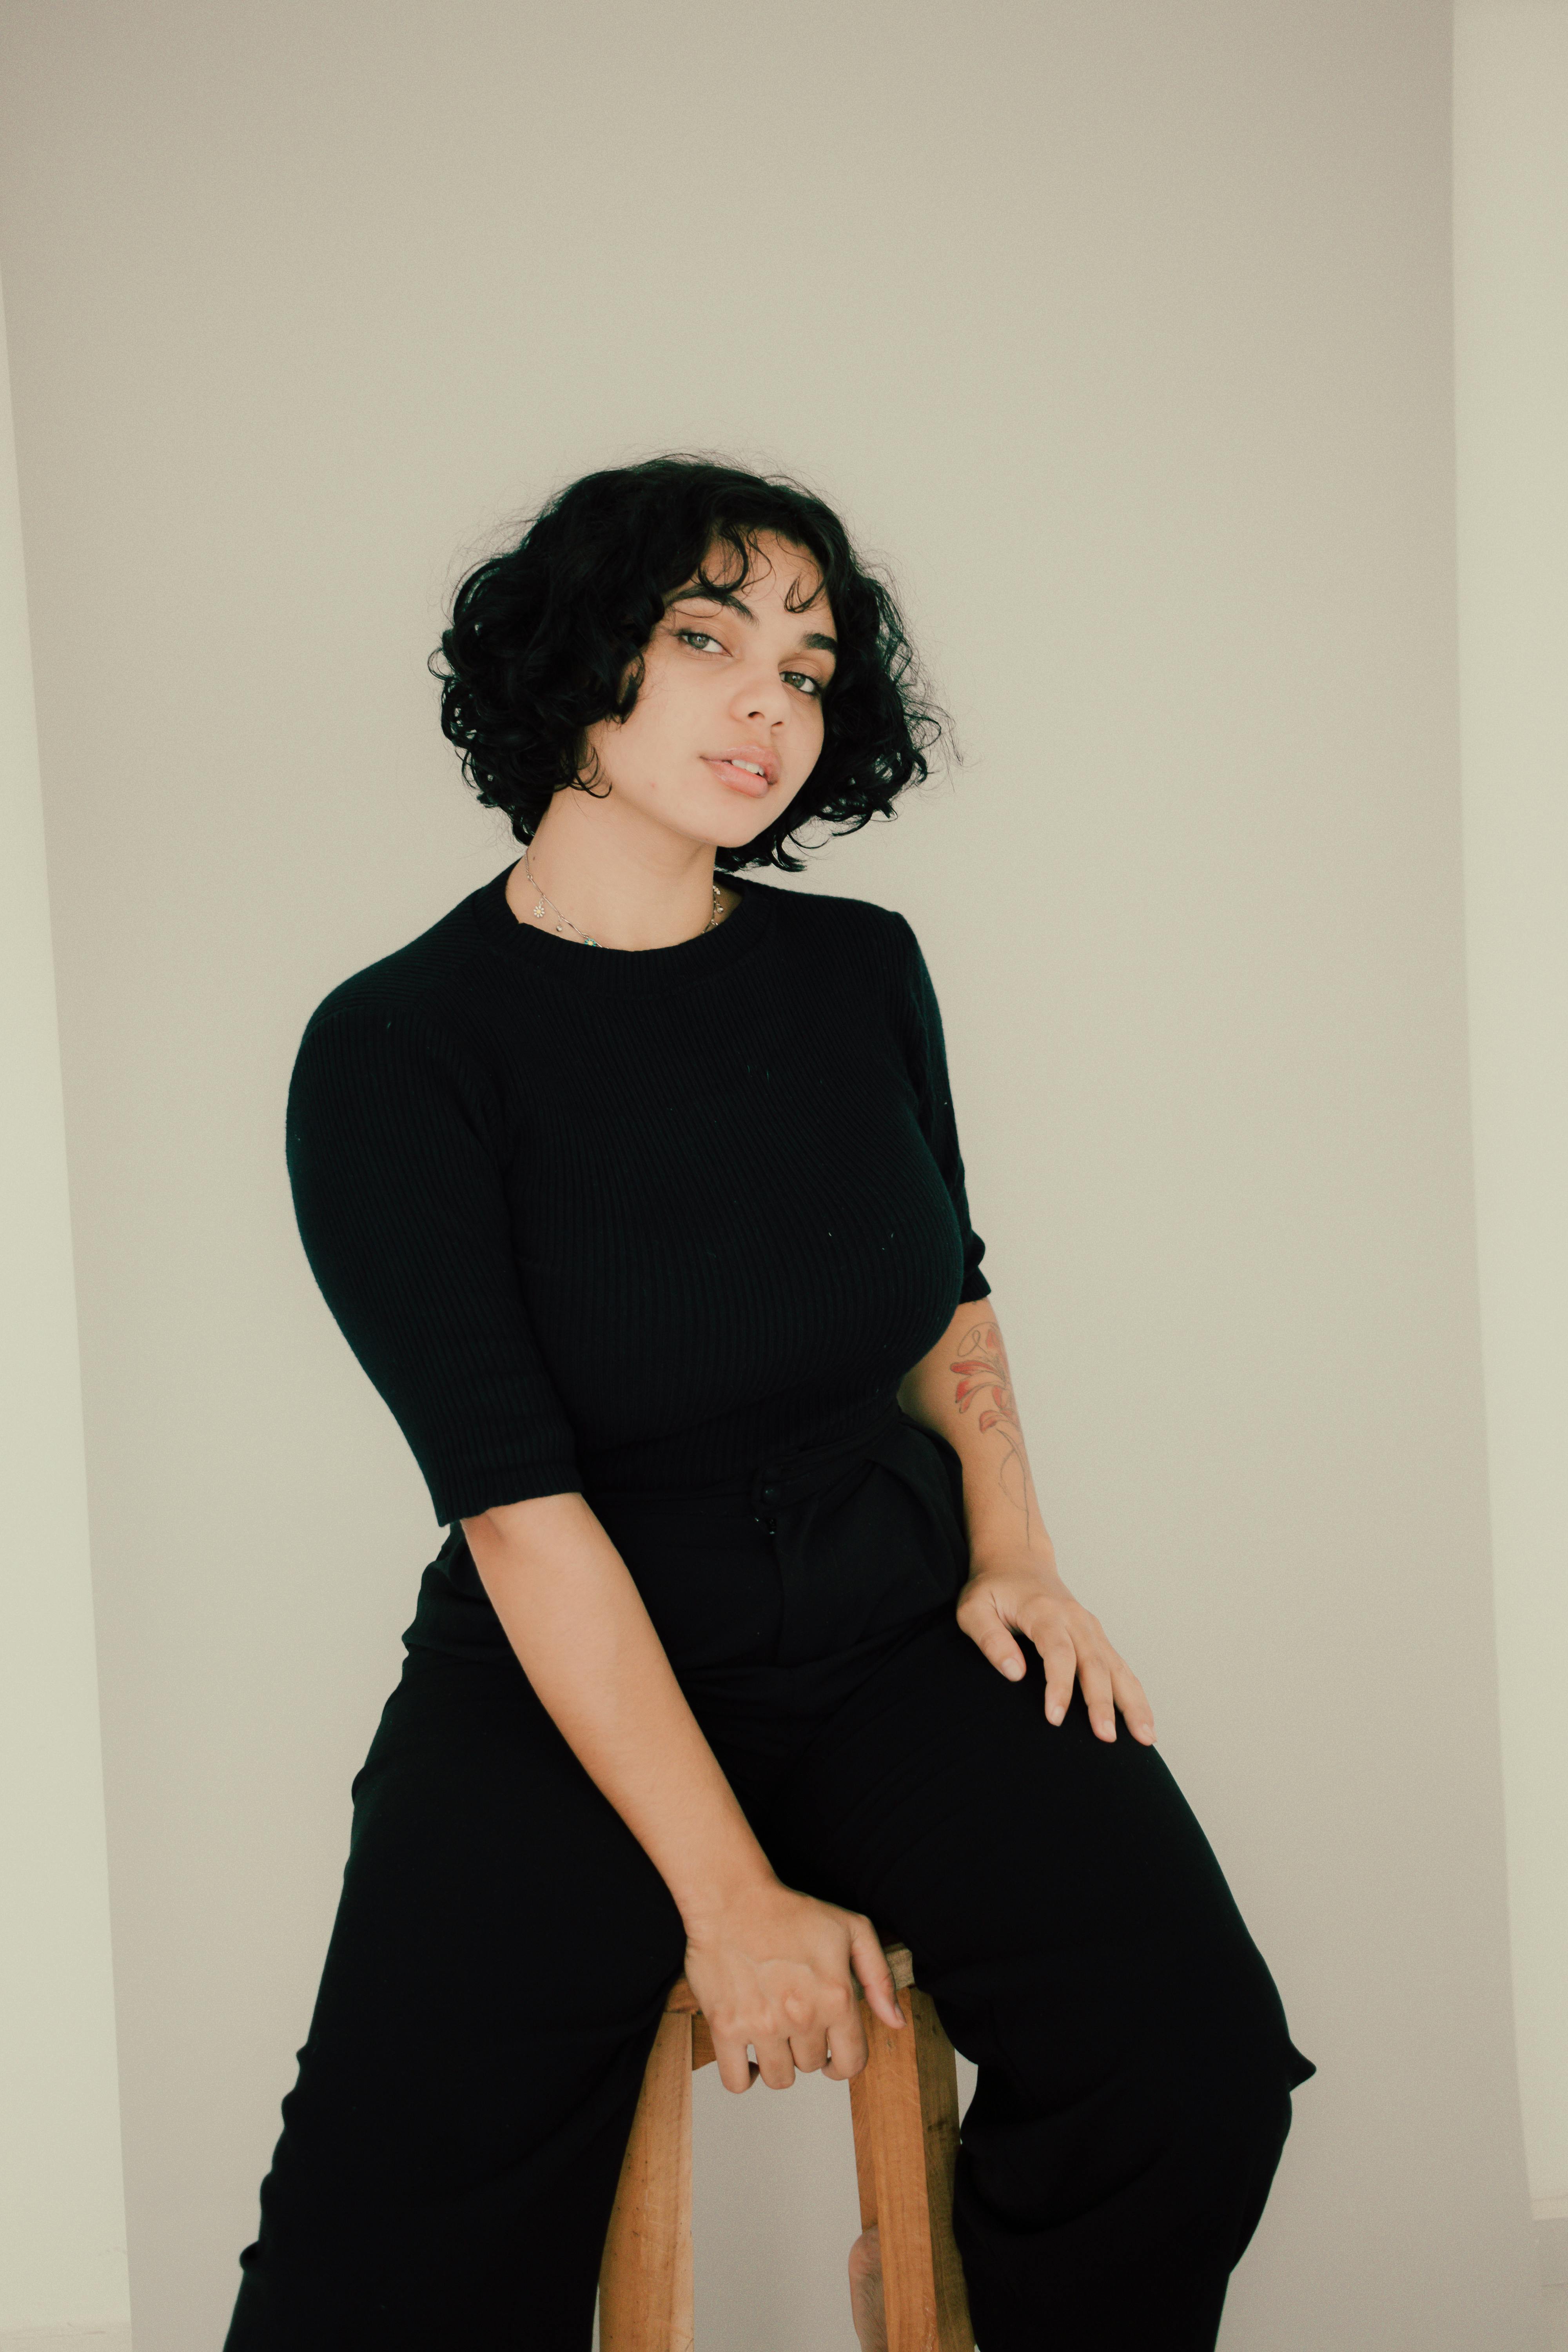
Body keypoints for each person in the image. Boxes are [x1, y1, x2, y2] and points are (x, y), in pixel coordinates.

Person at [224, 454, 1313, 2352]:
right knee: (385, 2247)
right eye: (706, 637)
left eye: (808, 668)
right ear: (574, 668)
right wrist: (725, 1900)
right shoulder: (398, 1049)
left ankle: (961, 2292)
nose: (769, 703)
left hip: (889, 1629)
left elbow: (945, 1296)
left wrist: (1016, 1551)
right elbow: (513, 1503)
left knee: (1190, 2066)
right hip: (569, 1679)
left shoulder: (857, 970)